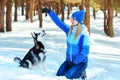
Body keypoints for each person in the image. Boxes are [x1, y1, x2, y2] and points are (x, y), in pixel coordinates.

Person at [42, 7, 90, 80]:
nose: (71, 20)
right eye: (71, 18)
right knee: (59, 75)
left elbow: (85, 51)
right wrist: (50, 12)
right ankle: (74, 70)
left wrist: (75, 62)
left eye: (73, 19)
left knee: (68, 76)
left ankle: (81, 73)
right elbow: (59, 22)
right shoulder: (69, 30)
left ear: (79, 21)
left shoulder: (84, 35)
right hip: (69, 61)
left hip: (80, 62)